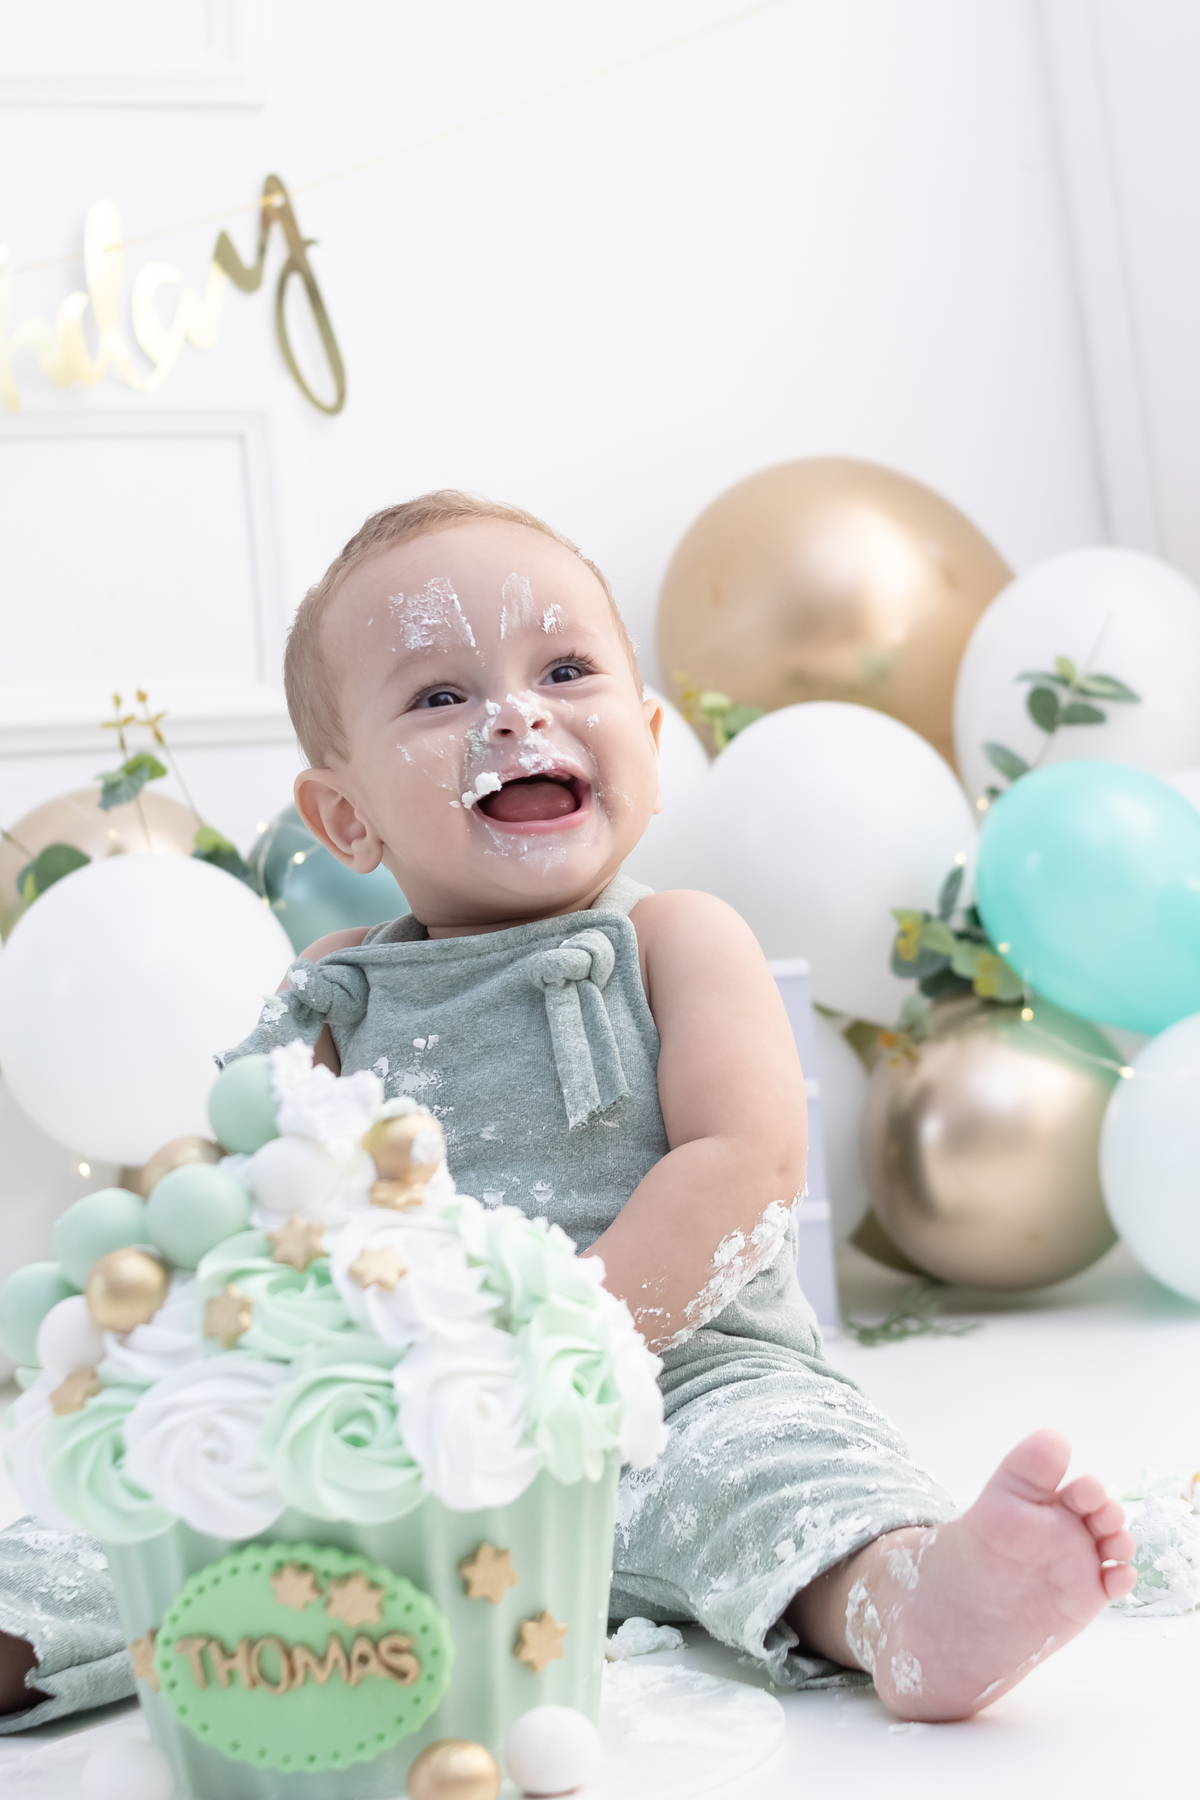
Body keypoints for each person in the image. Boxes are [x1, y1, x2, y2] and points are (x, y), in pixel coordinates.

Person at [0, 491, 1134, 1729]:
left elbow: (745, 1163)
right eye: (441, 695)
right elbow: (247, 1206)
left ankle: (907, 1600)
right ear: (346, 817)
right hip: (391, 1415)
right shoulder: (331, 991)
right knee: (162, 1498)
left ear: (645, 739)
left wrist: (548, 1359)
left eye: (565, 670)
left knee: (775, 1473)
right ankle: (26, 1625)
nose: (514, 713)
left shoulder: (677, 939)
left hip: (678, 1379)